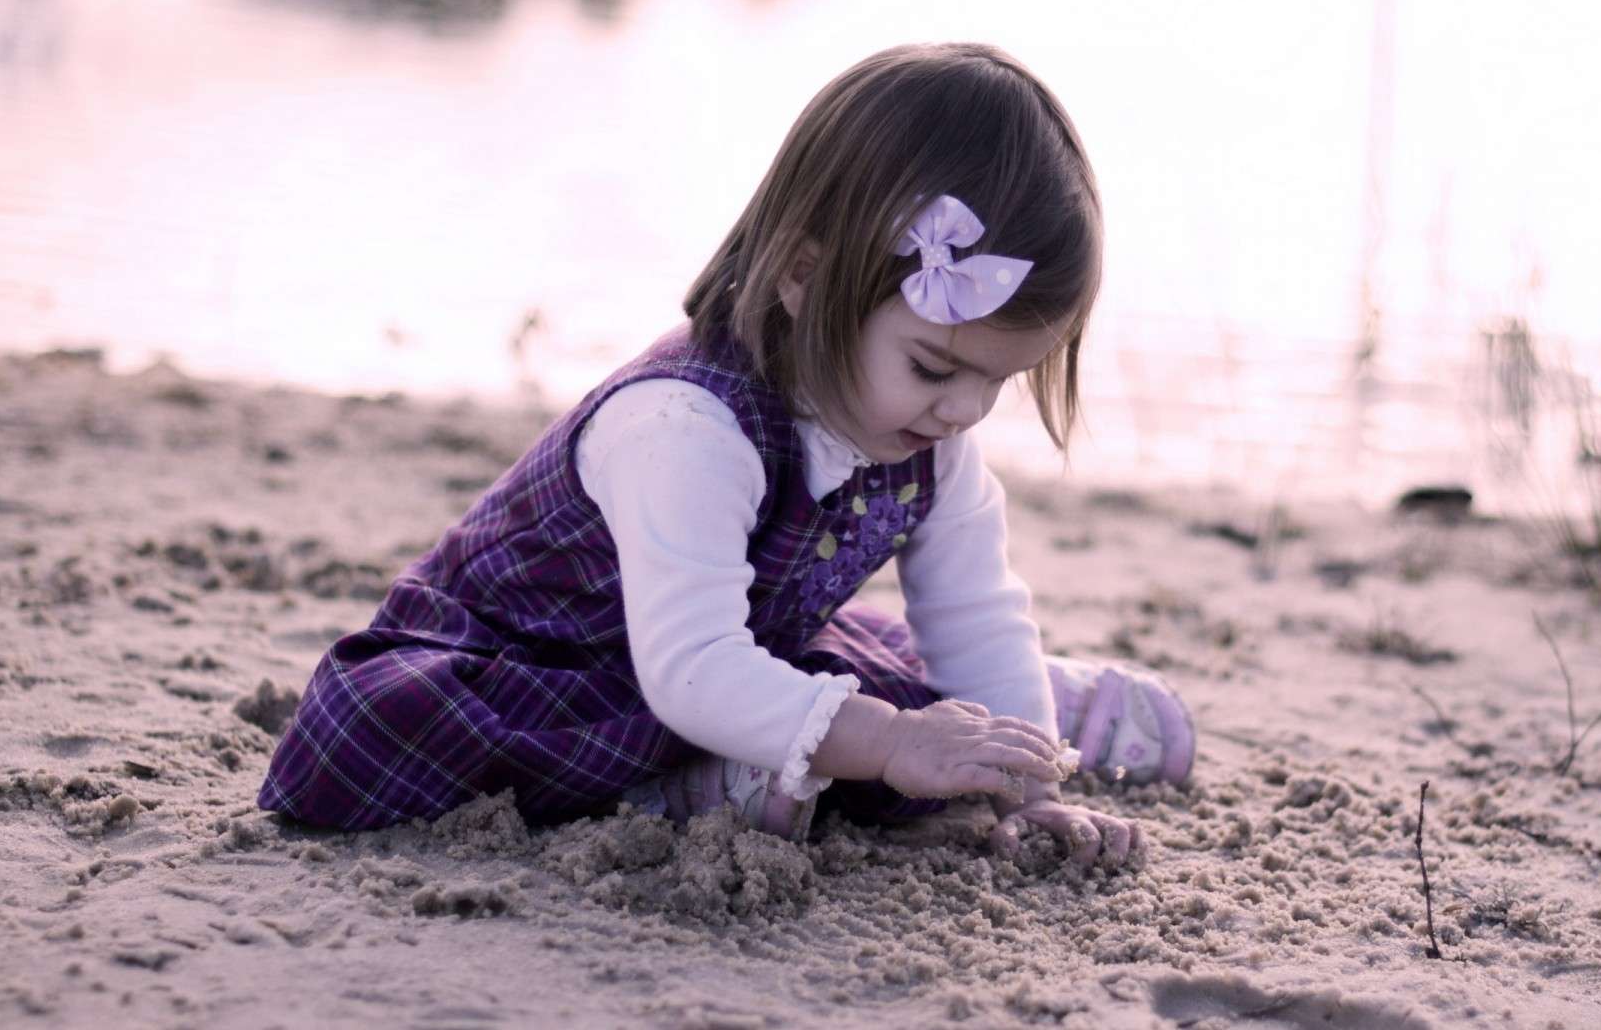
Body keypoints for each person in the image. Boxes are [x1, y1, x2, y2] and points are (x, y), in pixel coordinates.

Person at [258, 42, 1194, 868]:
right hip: (545, 668)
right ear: (802, 274)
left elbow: (976, 611)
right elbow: (693, 670)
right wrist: (898, 745)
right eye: (934, 366)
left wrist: (1022, 787)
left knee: (884, 702)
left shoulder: (931, 437)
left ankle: (1044, 717)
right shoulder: (685, 427)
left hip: (729, 654)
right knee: (864, 737)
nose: (965, 409)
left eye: (999, 381)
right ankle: (696, 787)